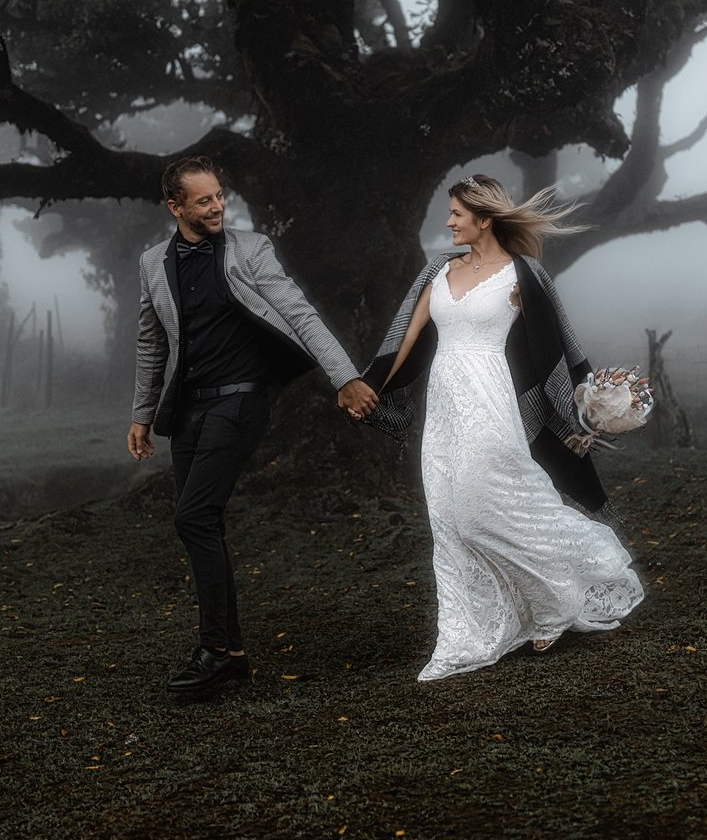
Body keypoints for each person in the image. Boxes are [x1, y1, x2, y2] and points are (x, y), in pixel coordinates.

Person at [359, 175, 643, 681]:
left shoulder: (522, 275)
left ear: (485, 219)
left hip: (491, 402)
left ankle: (558, 597)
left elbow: (555, 344)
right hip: (444, 411)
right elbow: (408, 337)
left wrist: (586, 403)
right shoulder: (439, 270)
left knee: (487, 509)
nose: (448, 222)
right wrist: (371, 386)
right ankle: (466, 631)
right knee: (450, 520)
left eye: (456, 214)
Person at [128, 155, 379, 695]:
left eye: (220, 195)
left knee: (193, 517)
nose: (218, 206)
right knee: (204, 524)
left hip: (241, 401)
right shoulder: (152, 263)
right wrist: (142, 414)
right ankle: (231, 654)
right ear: (175, 207)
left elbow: (300, 313)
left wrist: (345, 377)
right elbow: (151, 341)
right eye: (204, 200)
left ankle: (215, 651)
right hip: (188, 410)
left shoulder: (250, 249)